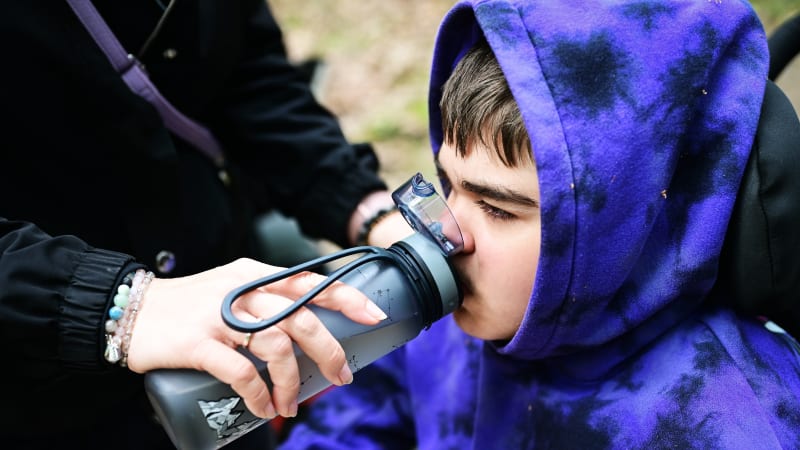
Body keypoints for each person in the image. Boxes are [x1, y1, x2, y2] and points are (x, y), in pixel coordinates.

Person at [279, 0, 800, 448]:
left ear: (625, 234)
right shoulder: (470, 316)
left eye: (499, 208)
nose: (445, 238)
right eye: (450, 185)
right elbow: (365, 409)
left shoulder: (723, 423)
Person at [0, 0, 409, 448]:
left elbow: (242, 70)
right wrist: (115, 307)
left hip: (231, 351)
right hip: (47, 394)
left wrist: (365, 208)